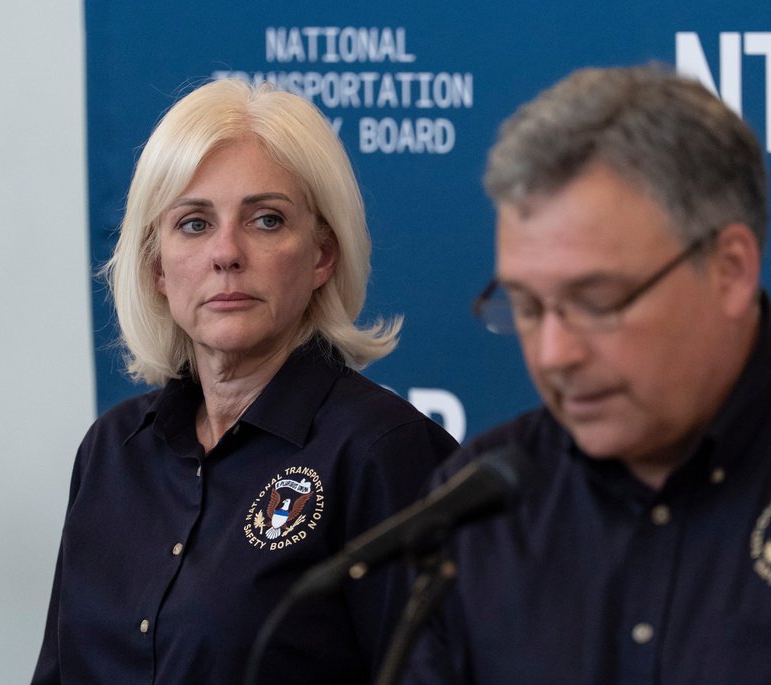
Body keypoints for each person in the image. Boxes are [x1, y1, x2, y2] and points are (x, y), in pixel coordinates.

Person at [401, 64, 771, 684]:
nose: (554, 354)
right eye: (525, 306)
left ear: (730, 269)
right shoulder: (474, 510)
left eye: (598, 301)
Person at [32, 78, 459, 685]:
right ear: (156, 266)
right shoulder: (112, 451)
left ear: (321, 256)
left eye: (265, 220)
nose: (227, 252)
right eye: (194, 224)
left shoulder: (383, 454)